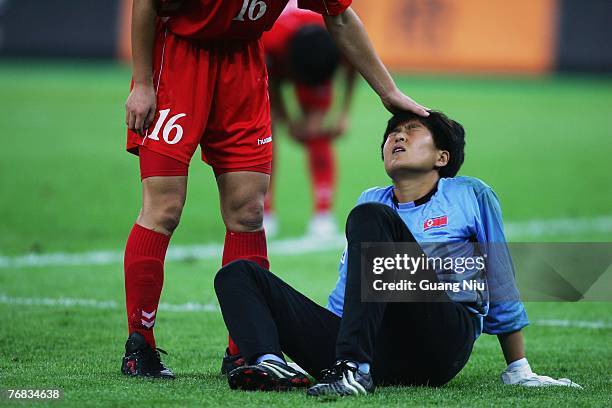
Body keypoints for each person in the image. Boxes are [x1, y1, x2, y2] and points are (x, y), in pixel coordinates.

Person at [120, 0, 429, 379]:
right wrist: (142, 82)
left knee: (249, 212)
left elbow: (340, 16)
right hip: (180, 60)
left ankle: (244, 350)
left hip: (243, 63)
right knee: (164, 208)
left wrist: (388, 91)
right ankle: (140, 346)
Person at [213, 111, 582, 395]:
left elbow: (500, 278)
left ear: (442, 156)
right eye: (392, 132)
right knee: (236, 274)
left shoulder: (470, 194)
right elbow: (349, 288)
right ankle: (270, 363)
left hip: (439, 341)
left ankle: (351, 367)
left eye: (411, 130)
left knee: (372, 218)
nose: (397, 136)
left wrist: (518, 367)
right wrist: (324, 335)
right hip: (374, 346)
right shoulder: (372, 198)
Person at [261, 0, 357, 238]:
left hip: (313, 53)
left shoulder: (338, 31)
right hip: (274, 61)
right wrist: (285, 115)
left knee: (318, 133)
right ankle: (264, 210)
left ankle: (323, 213)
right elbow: (268, 80)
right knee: (264, 132)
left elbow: (355, 66)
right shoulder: (267, 39)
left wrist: (342, 113)